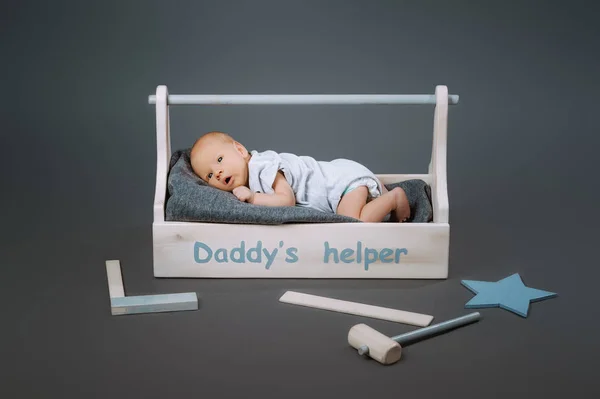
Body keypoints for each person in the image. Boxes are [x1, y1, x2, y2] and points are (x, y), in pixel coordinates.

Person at [189, 131, 413, 223]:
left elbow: (286, 200)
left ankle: (394, 197)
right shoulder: (254, 173)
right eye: (209, 175)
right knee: (354, 217)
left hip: (339, 183)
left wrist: (253, 198)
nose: (217, 173)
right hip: (338, 187)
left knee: (352, 225)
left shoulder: (261, 167)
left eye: (219, 160)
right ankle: (383, 199)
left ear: (239, 150)